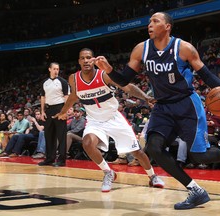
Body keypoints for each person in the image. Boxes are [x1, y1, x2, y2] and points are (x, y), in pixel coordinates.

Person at [93, 12, 220, 210]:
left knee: (200, 156)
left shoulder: (184, 48)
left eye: (155, 21)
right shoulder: (141, 49)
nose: (149, 25)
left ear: (167, 26)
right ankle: (195, 190)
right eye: (149, 22)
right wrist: (109, 70)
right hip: (163, 107)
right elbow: (124, 80)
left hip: (187, 105)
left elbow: (205, 74)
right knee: (153, 147)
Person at [55, 48, 164, 192]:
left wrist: (146, 97)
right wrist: (63, 112)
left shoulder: (104, 75)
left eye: (89, 57)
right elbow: (74, 96)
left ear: (93, 59)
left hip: (113, 118)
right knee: (87, 143)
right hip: (94, 120)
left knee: (137, 152)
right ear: (79, 61)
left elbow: (127, 87)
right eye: (83, 58)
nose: (86, 60)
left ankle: (152, 176)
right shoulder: (73, 78)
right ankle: (108, 173)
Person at [38, 62, 69, 167]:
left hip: (60, 108)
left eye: (58, 69)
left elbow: (66, 97)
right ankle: (49, 158)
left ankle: (61, 160)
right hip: (49, 109)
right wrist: (42, 111)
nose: (56, 71)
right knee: (48, 135)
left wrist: (65, 111)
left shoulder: (63, 82)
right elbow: (43, 97)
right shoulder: (44, 82)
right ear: (49, 69)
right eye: (54, 69)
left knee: (61, 136)